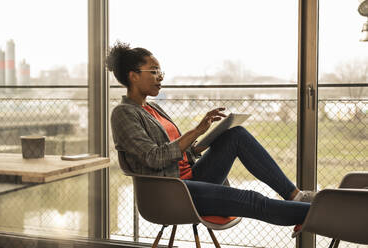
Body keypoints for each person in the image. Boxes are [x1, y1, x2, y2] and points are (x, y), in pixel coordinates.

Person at [106, 41, 314, 231]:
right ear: (133, 76)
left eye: (161, 71)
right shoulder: (124, 113)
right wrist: (194, 132)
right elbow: (153, 158)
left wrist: (205, 136)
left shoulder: (154, 108)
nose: (160, 76)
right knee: (251, 199)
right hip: (171, 192)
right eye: (154, 71)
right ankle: (317, 214)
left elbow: (181, 153)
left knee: (236, 134)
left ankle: (296, 196)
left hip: (192, 178)